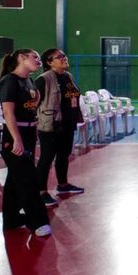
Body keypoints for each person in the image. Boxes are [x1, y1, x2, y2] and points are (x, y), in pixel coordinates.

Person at [0, 48, 51, 237]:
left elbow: (31, 107)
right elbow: (8, 114)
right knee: (28, 180)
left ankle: (11, 220)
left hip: (28, 132)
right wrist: (17, 140)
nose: (38, 60)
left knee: (15, 179)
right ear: (21, 58)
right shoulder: (9, 81)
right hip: (13, 136)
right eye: (34, 57)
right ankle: (37, 222)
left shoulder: (28, 81)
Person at [35, 48, 84, 207]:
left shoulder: (68, 77)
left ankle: (62, 185)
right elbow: (35, 104)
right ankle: (41, 192)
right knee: (46, 158)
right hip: (50, 126)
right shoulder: (43, 79)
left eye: (64, 56)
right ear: (50, 62)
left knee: (64, 155)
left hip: (67, 123)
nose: (64, 58)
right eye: (60, 57)